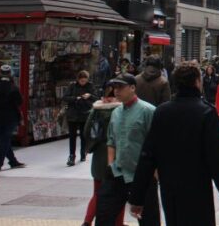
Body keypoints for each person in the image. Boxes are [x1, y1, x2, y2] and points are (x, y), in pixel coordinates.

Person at [129, 63, 219, 225]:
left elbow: (147, 156)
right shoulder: (207, 113)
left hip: (170, 188)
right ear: (197, 82)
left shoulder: (162, 112)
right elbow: (218, 159)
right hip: (198, 189)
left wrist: (137, 198)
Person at [95, 73, 159, 226]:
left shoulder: (148, 111)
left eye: (120, 87)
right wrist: (110, 164)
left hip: (142, 175)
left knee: (148, 219)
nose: (116, 91)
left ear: (132, 88)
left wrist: (155, 172)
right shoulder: (116, 112)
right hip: (118, 173)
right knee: (103, 215)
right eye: (114, 87)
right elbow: (111, 141)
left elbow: (157, 143)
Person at [82, 86, 124, 226]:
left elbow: (87, 130)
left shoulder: (96, 109)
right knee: (119, 193)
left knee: (97, 191)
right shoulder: (120, 110)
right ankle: (118, 223)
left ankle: (87, 221)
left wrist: (90, 146)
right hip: (116, 154)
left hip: (99, 153)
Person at [0, 64, 25, 170]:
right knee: (4, 140)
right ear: (10, 73)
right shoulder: (13, 87)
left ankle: (12, 161)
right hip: (10, 118)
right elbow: (20, 101)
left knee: (2, 140)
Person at [64, 70, 97, 166]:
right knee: (72, 136)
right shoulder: (72, 86)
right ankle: (71, 155)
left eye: (84, 81)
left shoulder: (90, 86)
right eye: (81, 81)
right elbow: (65, 97)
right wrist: (76, 98)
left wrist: (90, 95)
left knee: (84, 135)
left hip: (85, 113)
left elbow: (96, 98)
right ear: (78, 79)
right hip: (73, 114)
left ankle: (83, 152)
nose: (83, 83)